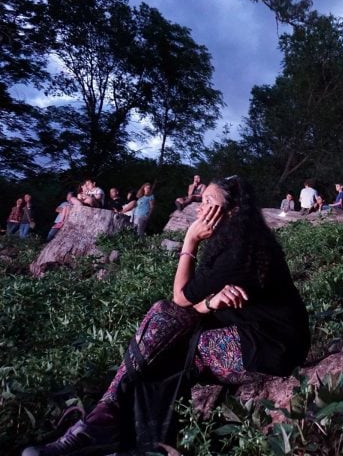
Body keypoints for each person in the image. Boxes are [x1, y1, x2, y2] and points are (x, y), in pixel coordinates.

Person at [22, 176, 311, 456]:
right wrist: (209, 303)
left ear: (232, 211)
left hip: (273, 345)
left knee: (172, 353)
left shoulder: (241, 251)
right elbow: (189, 307)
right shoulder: (232, 242)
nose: (199, 208)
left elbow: (181, 297)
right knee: (163, 329)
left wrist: (189, 242)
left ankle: (118, 432)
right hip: (246, 332)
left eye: (208, 201)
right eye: (200, 200)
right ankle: (107, 420)